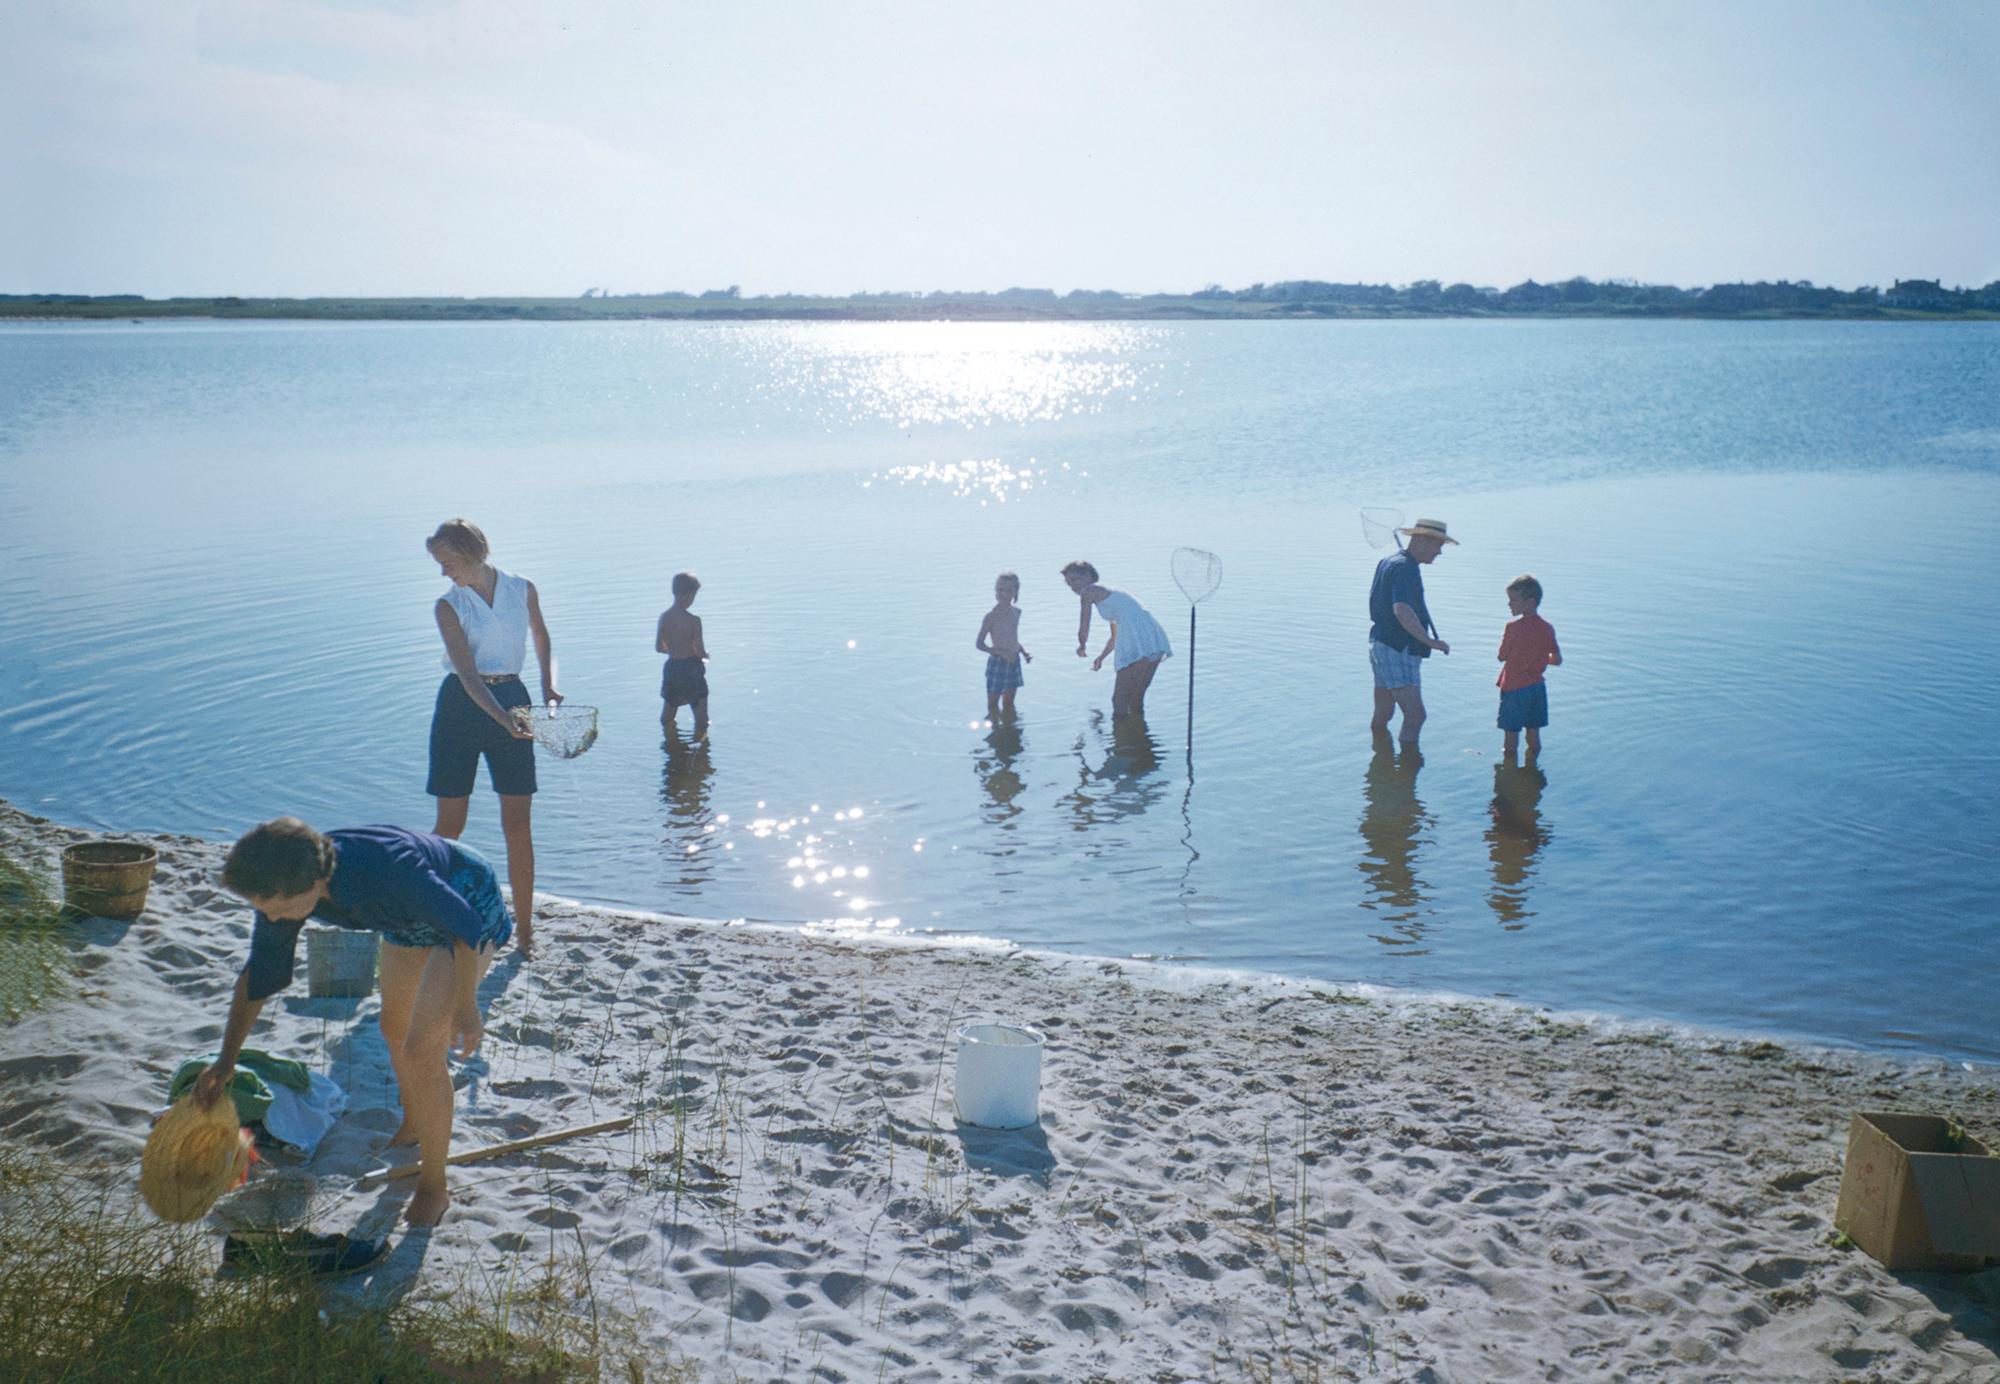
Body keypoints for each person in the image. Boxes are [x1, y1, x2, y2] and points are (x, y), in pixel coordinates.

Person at [193, 817, 514, 1226]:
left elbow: (464, 925)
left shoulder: (387, 869)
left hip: (465, 900)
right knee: (393, 1028)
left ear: (313, 884)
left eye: (275, 911)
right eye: (263, 911)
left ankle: (434, 1184)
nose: (272, 920)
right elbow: (259, 975)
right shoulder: (283, 887)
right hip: (404, 917)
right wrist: (225, 1062)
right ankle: (414, 1122)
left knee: (421, 1048)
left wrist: (467, 1005)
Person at [424, 519, 557, 958]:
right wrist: (503, 719)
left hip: (513, 698)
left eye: (448, 562)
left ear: (472, 554)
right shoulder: (449, 606)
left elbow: (540, 636)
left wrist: (547, 685)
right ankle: (429, 921)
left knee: (518, 825)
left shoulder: (522, 588)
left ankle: (524, 934)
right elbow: (465, 673)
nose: (444, 572)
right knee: (450, 827)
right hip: (461, 709)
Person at [1367, 518, 1455, 745]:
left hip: (1380, 644)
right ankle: (1408, 768)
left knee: (1384, 712)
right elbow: (1402, 610)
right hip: (1397, 648)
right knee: (1416, 715)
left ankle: (1381, 762)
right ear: (1423, 541)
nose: (1439, 553)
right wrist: (1430, 641)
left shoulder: (1391, 562)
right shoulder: (1406, 568)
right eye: (1438, 546)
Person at [1496, 572, 1561, 759]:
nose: (1509, 604)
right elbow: (1556, 660)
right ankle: (1533, 767)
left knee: (1510, 737)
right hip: (1537, 689)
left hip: (1514, 689)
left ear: (1530, 602)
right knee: (1534, 734)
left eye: (1514, 600)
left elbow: (1502, 656)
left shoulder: (1512, 628)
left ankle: (1510, 774)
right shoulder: (1547, 628)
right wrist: (1539, 658)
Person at [656, 571, 710, 736]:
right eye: (693, 595)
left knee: (668, 714)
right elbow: (699, 651)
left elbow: (659, 647)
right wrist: (705, 655)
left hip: (672, 668)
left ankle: (670, 739)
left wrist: (673, 650)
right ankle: (700, 745)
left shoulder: (664, 617)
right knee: (701, 718)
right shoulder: (694, 621)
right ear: (688, 595)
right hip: (691, 669)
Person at [975, 571, 1032, 720]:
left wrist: (1024, 653)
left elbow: (1013, 638)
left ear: (1015, 592)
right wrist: (997, 651)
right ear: (995, 590)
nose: (1004, 594)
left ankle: (1009, 729)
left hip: (1014, 661)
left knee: (1008, 703)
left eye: (1009, 590)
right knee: (993, 703)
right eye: (1000, 589)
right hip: (998, 662)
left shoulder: (1016, 613)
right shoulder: (991, 616)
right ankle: (994, 730)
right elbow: (979, 644)